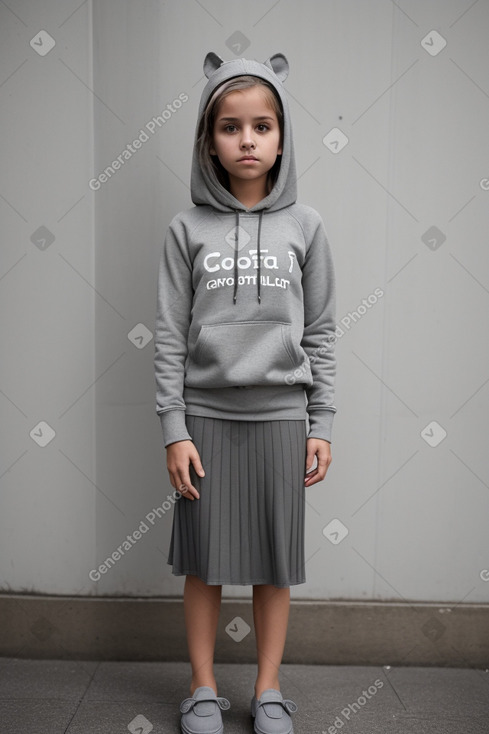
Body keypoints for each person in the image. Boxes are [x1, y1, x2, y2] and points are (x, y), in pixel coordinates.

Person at [154, 50, 337, 734]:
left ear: (282, 135)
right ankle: (201, 687)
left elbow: (320, 331)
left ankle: (266, 690)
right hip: (204, 417)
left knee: (270, 562)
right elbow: (170, 336)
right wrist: (174, 428)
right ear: (208, 139)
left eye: (262, 125)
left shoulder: (306, 227)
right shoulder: (185, 230)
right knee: (203, 564)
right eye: (230, 127)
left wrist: (320, 421)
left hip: (282, 417)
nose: (247, 139)